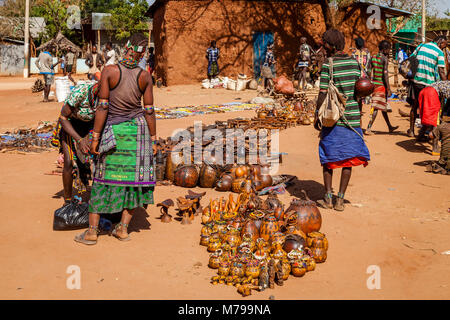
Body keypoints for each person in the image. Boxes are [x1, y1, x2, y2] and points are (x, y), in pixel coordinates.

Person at [74, 33, 156, 245]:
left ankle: (92, 232)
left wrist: (95, 138)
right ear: (142, 54)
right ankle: (122, 229)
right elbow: (149, 111)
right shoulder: (145, 76)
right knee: (134, 182)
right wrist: (153, 139)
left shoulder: (109, 72)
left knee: (102, 179)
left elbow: (102, 107)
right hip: (138, 133)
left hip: (114, 134)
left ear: (125, 48)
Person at [314, 29, 370, 212]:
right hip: (353, 118)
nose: (323, 47)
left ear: (330, 46)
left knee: (328, 157)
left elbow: (322, 95)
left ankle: (328, 198)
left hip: (333, 119)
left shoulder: (328, 65)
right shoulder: (354, 64)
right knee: (348, 158)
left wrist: (317, 116)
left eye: (324, 44)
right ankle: (340, 200)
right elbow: (360, 89)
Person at [52, 81, 100, 203]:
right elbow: (63, 118)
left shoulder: (107, 96)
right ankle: (67, 201)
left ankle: (96, 200)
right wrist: (79, 140)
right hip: (70, 125)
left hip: (90, 127)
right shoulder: (81, 92)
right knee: (69, 162)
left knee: (95, 160)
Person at [407, 36, 447, 137]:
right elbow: (442, 71)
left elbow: (411, 59)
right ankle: (428, 133)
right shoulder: (439, 52)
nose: (443, 48)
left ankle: (411, 130)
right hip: (429, 84)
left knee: (415, 106)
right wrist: (447, 85)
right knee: (431, 109)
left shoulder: (421, 46)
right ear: (441, 42)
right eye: (444, 45)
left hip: (416, 81)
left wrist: (416, 71)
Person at [365, 40, 399, 135]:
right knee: (376, 107)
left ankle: (389, 126)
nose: (389, 51)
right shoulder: (384, 59)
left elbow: (368, 71)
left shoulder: (373, 57)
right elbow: (385, 75)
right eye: (388, 49)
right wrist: (388, 88)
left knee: (382, 106)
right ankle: (368, 128)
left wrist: (370, 81)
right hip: (381, 86)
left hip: (374, 84)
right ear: (384, 49)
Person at [418, 81, 450, 153]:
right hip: (431, 93)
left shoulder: (446, 84)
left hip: (424, 91)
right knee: (435, 121)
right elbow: (448, 104)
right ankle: (435, 148)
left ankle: (420, 136)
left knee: (428, 118)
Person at [351, 37, 371, 110]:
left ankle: (358, 109)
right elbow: (368, 66)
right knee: (363, 93)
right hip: (364, 77)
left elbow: (352, 66)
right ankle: (360, 109)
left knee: (356, 94)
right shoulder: (367, 53)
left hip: (356, 77)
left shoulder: (353, 53)